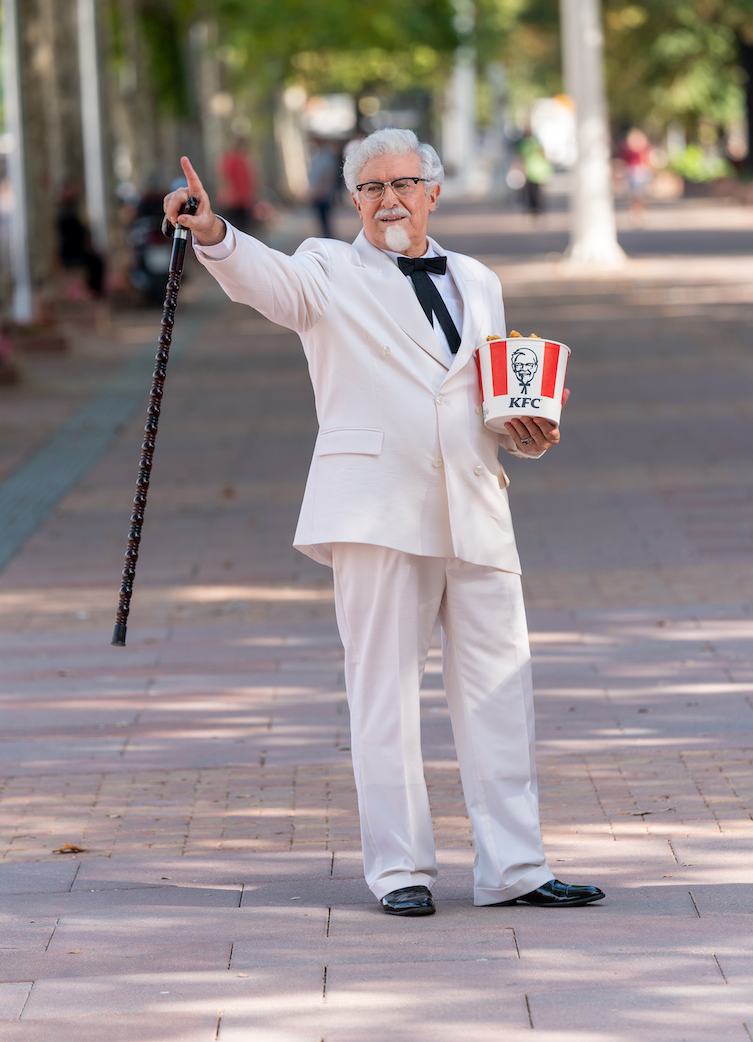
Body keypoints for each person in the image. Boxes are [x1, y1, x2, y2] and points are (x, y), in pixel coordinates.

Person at [164, 128, 603, 918]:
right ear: (354, 198)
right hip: (374, 508)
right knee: (385, 695)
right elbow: (271, 284)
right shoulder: (326, 268)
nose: (388, 200)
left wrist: (526, 430)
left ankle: (515, 867)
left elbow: (487, 395)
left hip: (475, 505)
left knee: (502, 690)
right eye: (371, 188)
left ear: (433, 192)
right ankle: (400, 868)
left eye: (403, 184)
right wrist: (214, 233)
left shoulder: (477, 278)